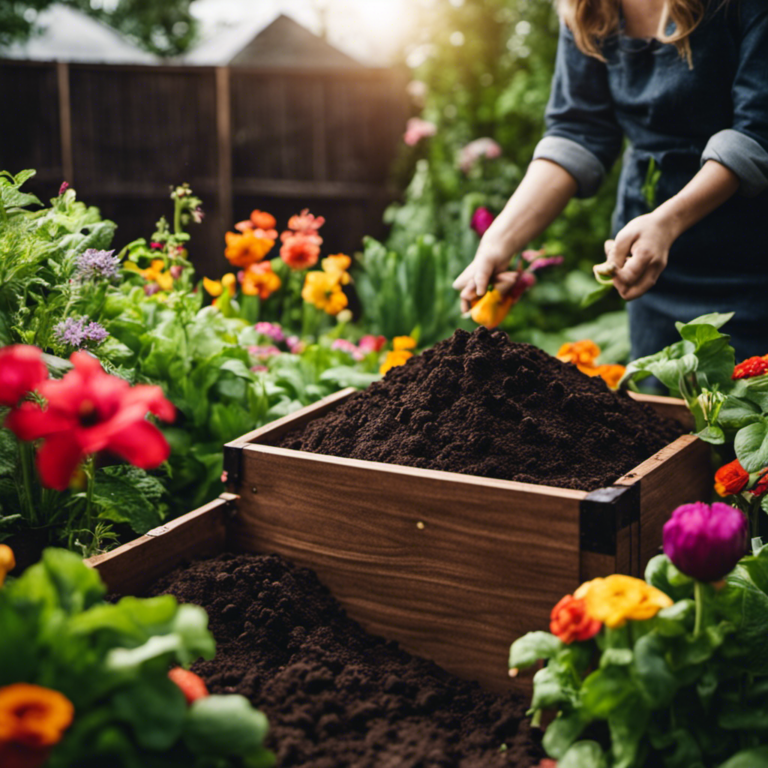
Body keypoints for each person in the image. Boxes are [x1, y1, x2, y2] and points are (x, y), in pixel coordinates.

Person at [453, 0, 768, 361]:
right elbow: (578, 132)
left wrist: (669, 221)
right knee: (659, 407)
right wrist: (500, 239)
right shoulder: (585, 7)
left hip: (751, 259)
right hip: (647, 266)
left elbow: (757, 130)